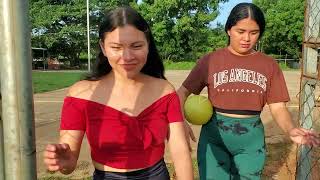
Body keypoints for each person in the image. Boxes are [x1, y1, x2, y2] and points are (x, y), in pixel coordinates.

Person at [43, 6, 194, 180]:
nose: (127, 56)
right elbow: (69, 161)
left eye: (136, 46)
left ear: (148, 45)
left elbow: (180, 151)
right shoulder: (81, 94)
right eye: (116, 47)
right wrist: (64, 161)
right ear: (103, 47)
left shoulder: (164, 91)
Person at [177, 2, 320, 180]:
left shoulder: (269, 65)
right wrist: (179, 120)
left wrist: (290, 129)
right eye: (240, 31)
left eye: (254, 33)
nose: (246, 38)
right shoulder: (210, 61)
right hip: (214, 138)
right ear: (229, 29)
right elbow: (181, 93)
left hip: (251, 141)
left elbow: (278, 107)